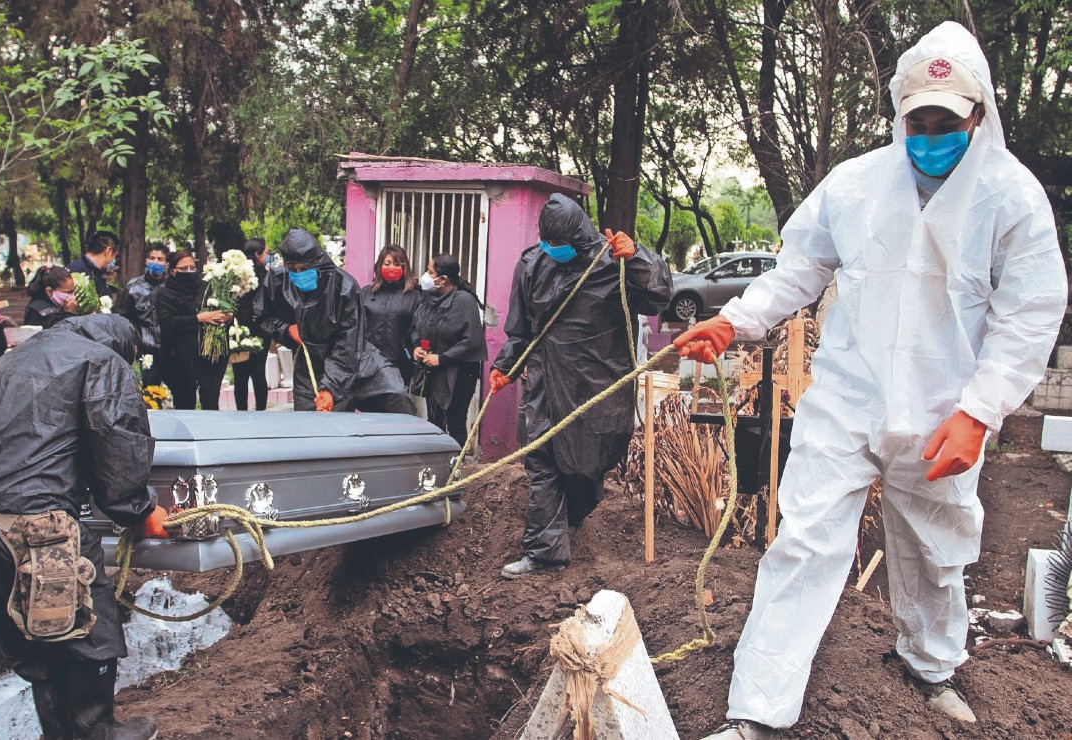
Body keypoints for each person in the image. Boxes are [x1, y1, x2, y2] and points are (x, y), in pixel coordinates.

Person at [684, 24, 1067, 739]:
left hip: (942, 410)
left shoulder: (1011, 198)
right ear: (898, 114)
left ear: (975, 115)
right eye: (916, 121)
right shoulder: (855, 185)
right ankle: (757, 713)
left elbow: (1029, 314)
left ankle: (929, 668)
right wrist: (733, 321)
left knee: (932, 547)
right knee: (803, 542)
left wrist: (979, 412)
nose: (929, 135)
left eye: (945, 123)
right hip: (847, 398)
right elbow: (798, 268)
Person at [0, 314, 166, 740]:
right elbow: (117, 446)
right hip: (27, 527)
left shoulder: (11, 359)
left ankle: (59, 731)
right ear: (126, 349)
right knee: (86, 624)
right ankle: (97, 729)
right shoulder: (101, 362)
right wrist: (139, 510)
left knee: (36, 637)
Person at [490, 194, 673, 578]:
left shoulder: (612, 263)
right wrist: (506, 365)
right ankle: (544, 552)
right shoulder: (532, 264)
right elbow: (522, 329)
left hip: (595, 383)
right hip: (543, 378)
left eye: (559, 245)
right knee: (541, 460)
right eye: (546, 242)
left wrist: (637, 255)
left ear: (579, 236)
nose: (551, 250)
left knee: (585, 466)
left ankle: (571, 518)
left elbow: (658, 296)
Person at [254, 228, 413, 414]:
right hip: (310, 364)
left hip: (354, 358)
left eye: (304, 268)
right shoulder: (279, 281)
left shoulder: (344, 287)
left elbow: (348, 341)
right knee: (313, 425)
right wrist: (286, 330)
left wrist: (330, 387)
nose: (299, 273)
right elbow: (262, 315)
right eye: (294, 269)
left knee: (395, 394)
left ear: (318, 263)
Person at [410, 254, 487, 446]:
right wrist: (418, 347)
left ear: (443, 279)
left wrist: (442, 358)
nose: (425, 276)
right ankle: (438, 468)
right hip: (432, 370)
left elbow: (470, 341)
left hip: (460, 373)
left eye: (430, 272)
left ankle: (456, 471)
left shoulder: (464, 300)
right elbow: (417, 327)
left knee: (455, 423)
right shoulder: (428, 298)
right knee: (434, 422)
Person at [155, 250, 231, 410]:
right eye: (183, 269)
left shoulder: (205, 287)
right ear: (172, 270)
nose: (189, 272)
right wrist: (199, 318)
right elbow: (167, 323)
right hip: (179, 358)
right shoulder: (164, 293)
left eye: (192, 267)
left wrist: (225, 315)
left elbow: (217, 308)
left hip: (208, 356)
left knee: (210, 400)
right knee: (185, 403)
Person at [361, 244, 421, 389]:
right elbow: (357, 325)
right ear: (379, 266)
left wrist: (416, 347)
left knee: (396, 406)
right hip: (370, 362)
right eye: (387, 264)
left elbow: (419, 327)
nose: (391, 268)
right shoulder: (366, 293)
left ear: (404, 267)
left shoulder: (415, 295)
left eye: (396, 264)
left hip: (401, 363)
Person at [118, 244, 169, 388]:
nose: (156, 262)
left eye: (160, 259)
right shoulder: (133, 287)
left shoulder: (172, 286)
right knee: (150, 394)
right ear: (146, 260)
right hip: (146, 352)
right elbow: (123, 318)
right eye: (152, 258)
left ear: (167, 264)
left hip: (171, 350)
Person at [232, 238, 272, 411]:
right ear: (257, 254)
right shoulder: (266, 276)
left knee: (240, 376)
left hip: (238, 331)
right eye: (265, 253)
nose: (267, 256)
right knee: (258, 374)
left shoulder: (236, 275)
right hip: (260, 331)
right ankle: (261, 410)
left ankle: (241, 411)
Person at [68, 230, 119, 300]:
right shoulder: (77, 273)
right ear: (108, 250)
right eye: (115, 256)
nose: (114, 260)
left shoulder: (96, 273)